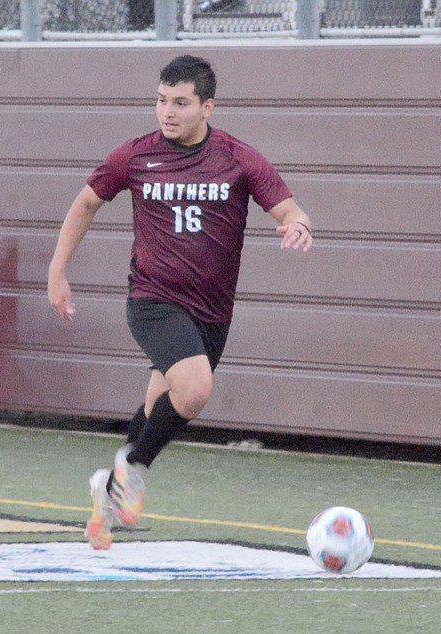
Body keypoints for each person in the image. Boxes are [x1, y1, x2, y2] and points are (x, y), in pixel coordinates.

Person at [47, 55, 314, 550]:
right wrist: (57, 270)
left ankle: (107, 497)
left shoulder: (239, 159)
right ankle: (132, 470)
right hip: (153, 299)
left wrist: (297, 224)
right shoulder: (133, 156)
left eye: (180, 103)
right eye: (161, 100)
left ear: (208, 107)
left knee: (157, 407)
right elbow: (86, 202)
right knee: (193, 391)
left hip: (211, 313)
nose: (166, 112)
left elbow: (291, 208)